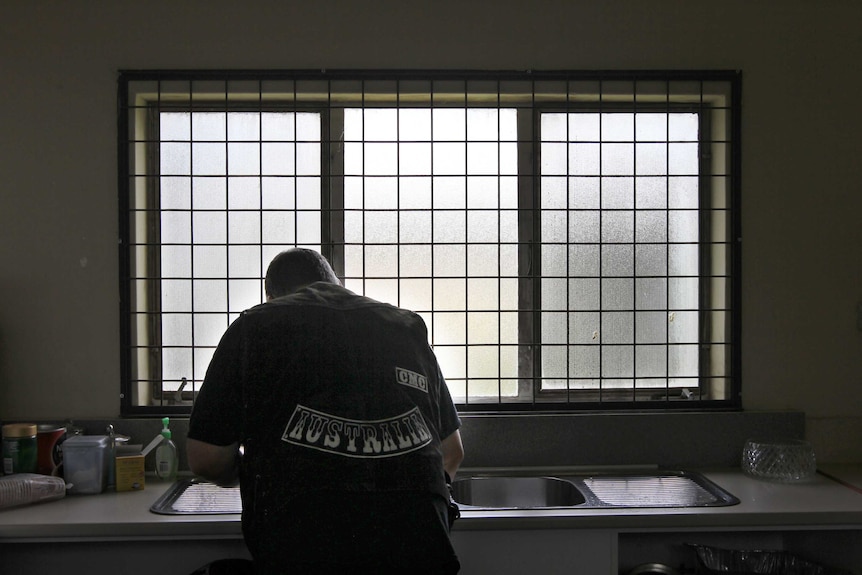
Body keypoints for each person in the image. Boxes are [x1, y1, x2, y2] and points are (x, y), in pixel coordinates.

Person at [187, 248, 464, 575]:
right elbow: (452, 452)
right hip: (421, 545)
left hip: (306, 545)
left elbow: (206, 459)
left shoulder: (254, 327)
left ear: (273, 295)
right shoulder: (406, 328)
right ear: (336, 283)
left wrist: (249, 472)